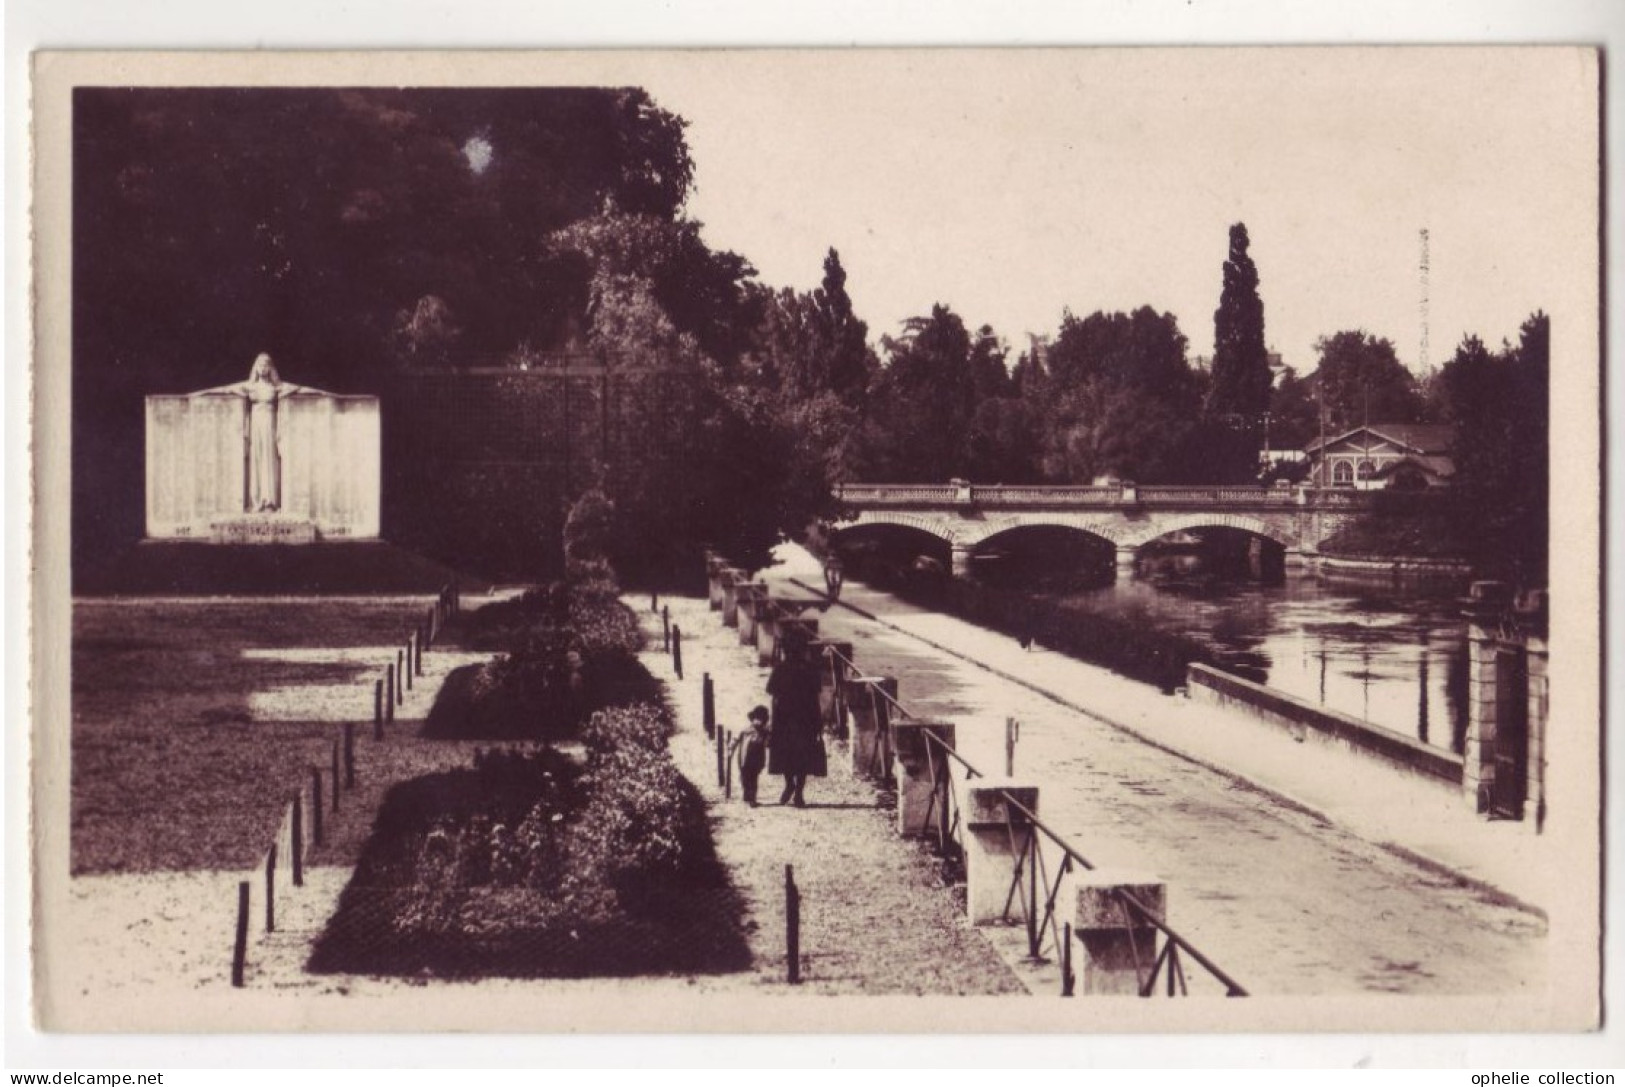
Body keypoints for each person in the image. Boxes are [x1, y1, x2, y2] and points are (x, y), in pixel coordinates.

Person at [766, 632, 827, 806]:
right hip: (806, 719)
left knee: (786, 754)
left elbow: (770, 690)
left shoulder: (781, 668)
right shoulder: (810, 669)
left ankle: (789, 784)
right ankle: (799, 791)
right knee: (803, 755)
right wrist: (818, 721)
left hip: (784, 719)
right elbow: (816, 696)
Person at [728, 705, 771, 806]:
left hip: (757, 759)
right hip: (745, 759)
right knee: (745, 777)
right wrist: (731, 749)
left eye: (762, 720)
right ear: (752, 719)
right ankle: (747, 794)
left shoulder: (764, 732)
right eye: (757, 719)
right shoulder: (745, 730)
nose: (759, 722)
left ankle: (752, 799)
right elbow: (735, 739)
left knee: (754, 778)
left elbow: (769, 742)